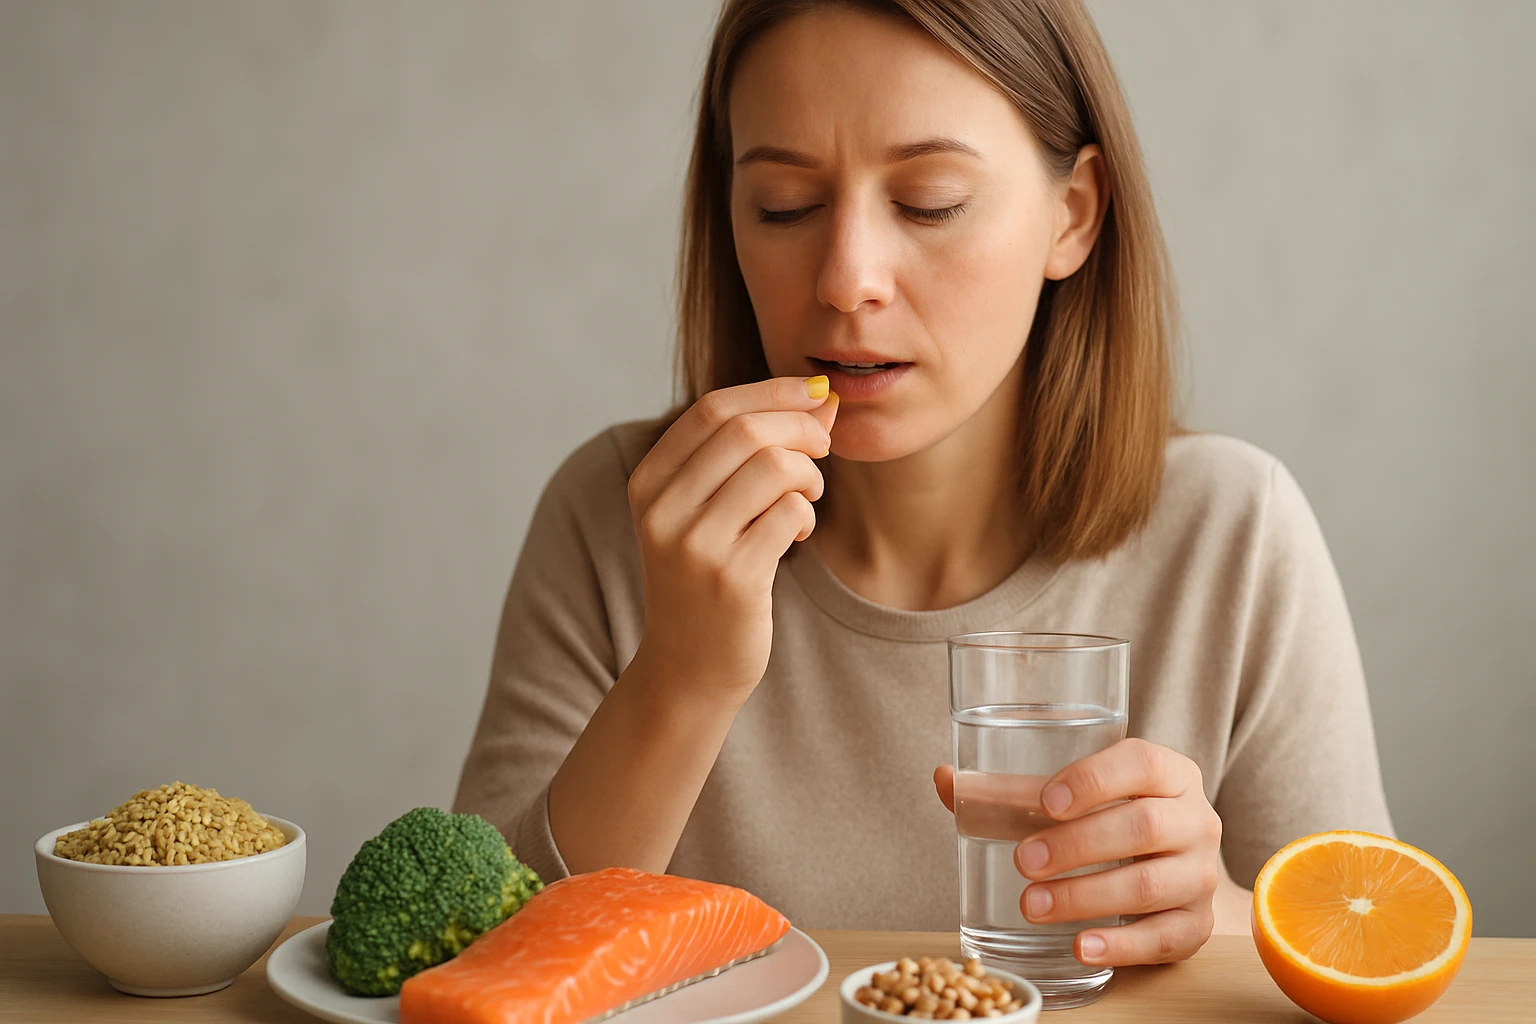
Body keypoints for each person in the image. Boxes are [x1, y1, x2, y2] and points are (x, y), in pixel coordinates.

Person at [453, 0, 1393, 968]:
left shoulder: (1233, 534)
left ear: (1072, 215)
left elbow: (1373, 950)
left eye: (930, 200)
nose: (847, 279)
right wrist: (683, 675)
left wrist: (1211, 908)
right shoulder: (620, 517)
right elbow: (470, 972)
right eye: (784, 206)